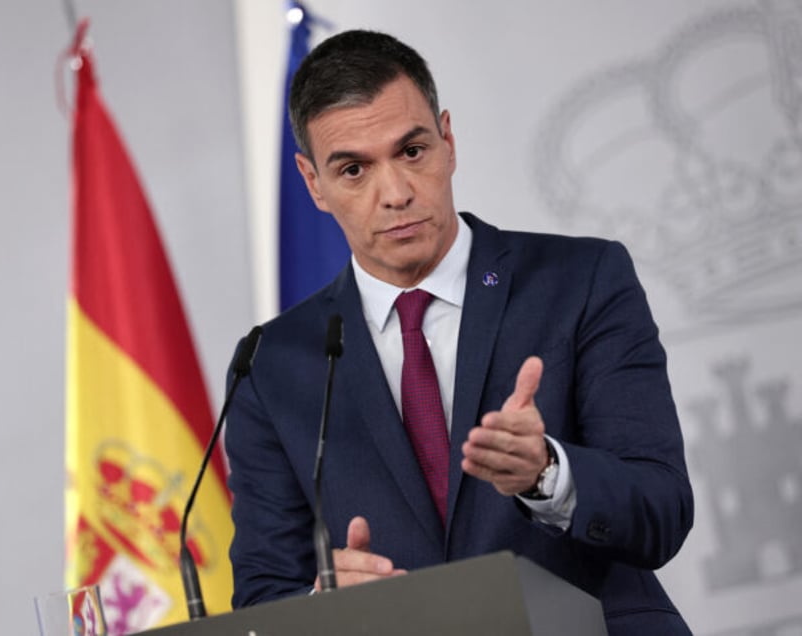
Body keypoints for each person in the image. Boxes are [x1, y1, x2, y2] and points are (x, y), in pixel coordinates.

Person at [225, 29, 694, 635]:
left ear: (448, 140)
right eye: (353, 169)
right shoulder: (271, 365)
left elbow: (662, 508)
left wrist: (547, 473)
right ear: (314, 183)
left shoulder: (582, 280)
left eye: (412, 151)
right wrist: (324, 603)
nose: (394, 193)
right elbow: (262, 597)